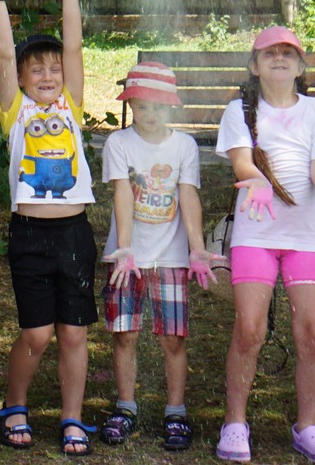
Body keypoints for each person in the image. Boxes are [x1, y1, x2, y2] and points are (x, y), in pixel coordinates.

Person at [214, 26, 315, 465]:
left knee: (314, 334)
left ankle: (308, 426)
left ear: (301, 66)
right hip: (255, 232)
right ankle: (235, 422)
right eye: (270, 53)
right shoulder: (238, 112)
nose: (279, 59)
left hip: (306, 237)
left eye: (288, 53)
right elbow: (242, 161)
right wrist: (258, 180)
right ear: (254, 65)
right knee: (249, 329)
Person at [0, 0, 100, 456]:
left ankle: (72, 417)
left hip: (75, 234)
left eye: (53, 69)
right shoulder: (14, 112)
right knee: (39, 333)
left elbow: (74, 48)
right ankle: (14, 401)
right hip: (30, 235)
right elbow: (3, 53)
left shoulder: (72, 105)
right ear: (22, 80)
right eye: (35, 69)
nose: (47, 75)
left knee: (73, 333)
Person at [99, 62, 218, 452]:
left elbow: (188, 196)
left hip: (170, 257)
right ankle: (125, 407)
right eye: (142, 106)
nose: (149, 115)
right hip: (127, 257)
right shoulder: (119, 143)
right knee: (125, 333)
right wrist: (126, 250)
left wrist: (197, 249)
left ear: (171, 107)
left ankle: (175, 411)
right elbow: (121, 193)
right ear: (131, 104)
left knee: (173, 338)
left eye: (158, 107)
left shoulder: (184, 146)